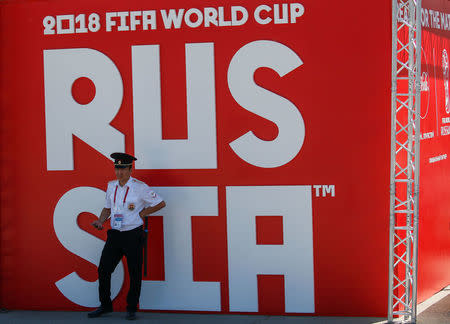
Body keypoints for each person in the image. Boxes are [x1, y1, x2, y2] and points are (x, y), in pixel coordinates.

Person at [88, 152, 166, 320]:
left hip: (133, 234)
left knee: (134, 272)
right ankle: (105, 305)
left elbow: (160, 203)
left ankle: (131, 308)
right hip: (115, 234)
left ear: (131, 169)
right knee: (104, 269)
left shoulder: (140, 187)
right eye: (117, 168)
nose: (119, 172)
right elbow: (107, 208)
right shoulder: (111, 186)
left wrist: (142, 214)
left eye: (123, 168)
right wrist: (101, 221)